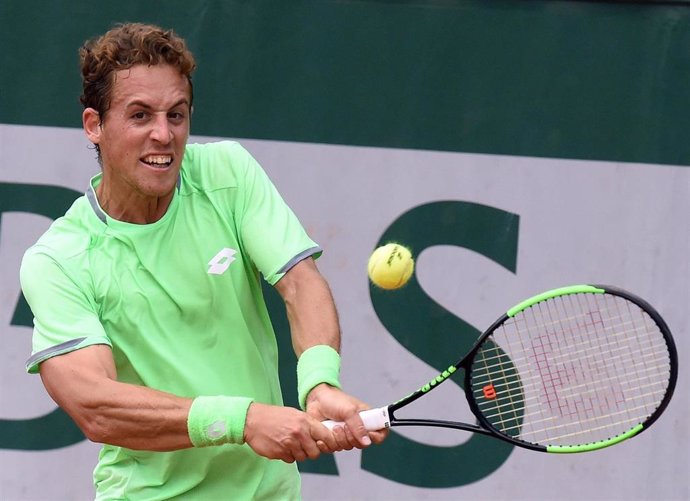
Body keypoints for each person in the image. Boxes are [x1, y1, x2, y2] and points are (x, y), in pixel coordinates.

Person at [20, 22, 386, 500]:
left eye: (177, 115)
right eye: (139, 116)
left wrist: (319, 381)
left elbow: (300, 282)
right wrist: (242, 420)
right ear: (95, 125)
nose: (163, 134)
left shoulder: (227, 173)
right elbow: (96, 406)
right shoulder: (58, 260)